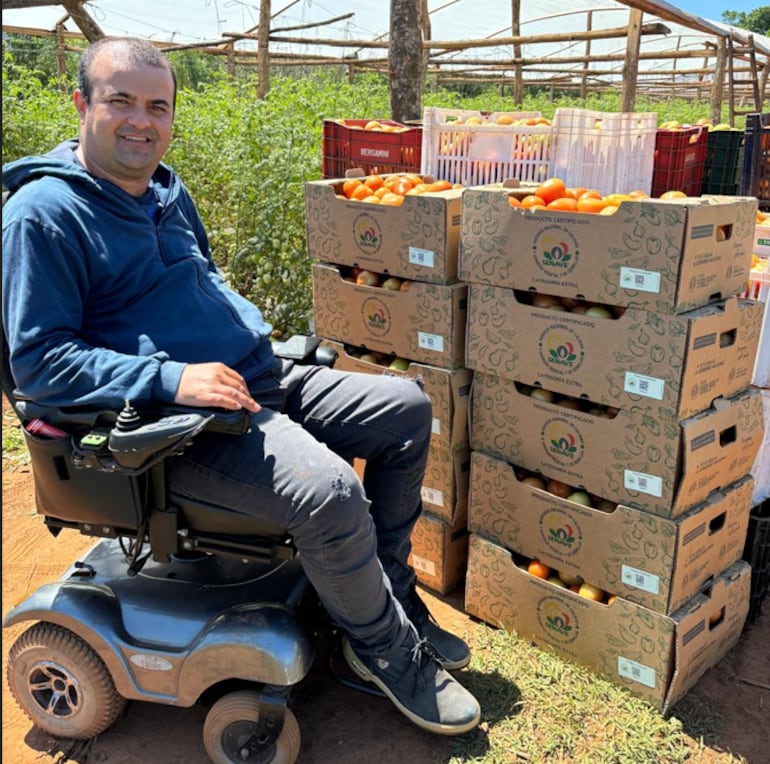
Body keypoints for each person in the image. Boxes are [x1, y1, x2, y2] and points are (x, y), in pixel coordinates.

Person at [2, 37, 481, 736]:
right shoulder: (44, 216)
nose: (143, 121)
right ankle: (384, 651)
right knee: (328, 491)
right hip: (177, 429)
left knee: (404, 409)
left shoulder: (166, 188)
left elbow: (202, 279)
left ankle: (389, 597)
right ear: (82, 104)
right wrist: (172, 376)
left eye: (158, 106)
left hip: (255, 379)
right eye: (121, 102)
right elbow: (40, 364)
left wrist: (243, 329)